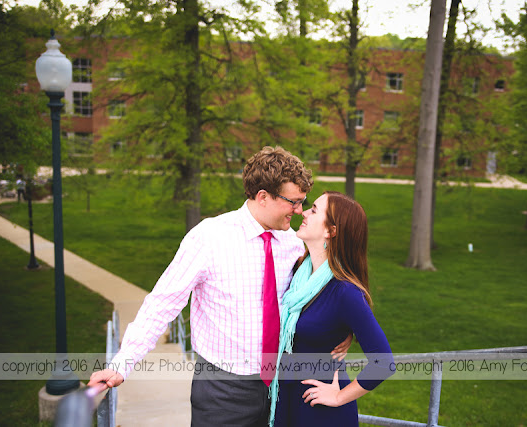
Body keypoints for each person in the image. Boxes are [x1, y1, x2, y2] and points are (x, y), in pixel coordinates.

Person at [88, 146, 351, 427]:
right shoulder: (208, 238)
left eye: (303, 201)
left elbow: (317, 294)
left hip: (281, 386)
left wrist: (344, 330)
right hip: (222, 392)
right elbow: (162, 303)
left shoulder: (293, 243)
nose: (299, 210)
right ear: (263, 196)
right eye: (293, 201)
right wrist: (121, 364)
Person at [269, 191, 394, 427]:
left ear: (331, 231)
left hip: (320, 410)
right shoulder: (299, 273)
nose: (303, 212)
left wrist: (338, 397)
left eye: (314, 210)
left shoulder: (345, 292)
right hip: (287, 399)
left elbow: (384, 362)